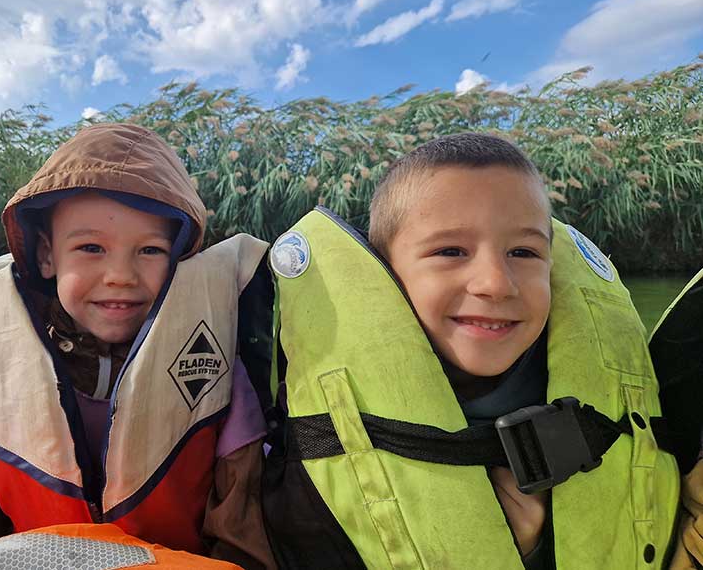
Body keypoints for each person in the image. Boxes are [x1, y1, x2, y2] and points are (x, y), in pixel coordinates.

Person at [261, 132, 702, 569]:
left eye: (523, 252)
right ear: (382, 275)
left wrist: (536, 550)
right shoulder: (305, 440)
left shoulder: (604, 402)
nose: (495, 283)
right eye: (451, 251)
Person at [0, 123, 276, 570]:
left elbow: (243, 543)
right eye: (90, 247)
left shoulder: (220, 381)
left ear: (182, 260)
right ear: (47, 256)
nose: (120, 275)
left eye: (150, 250)